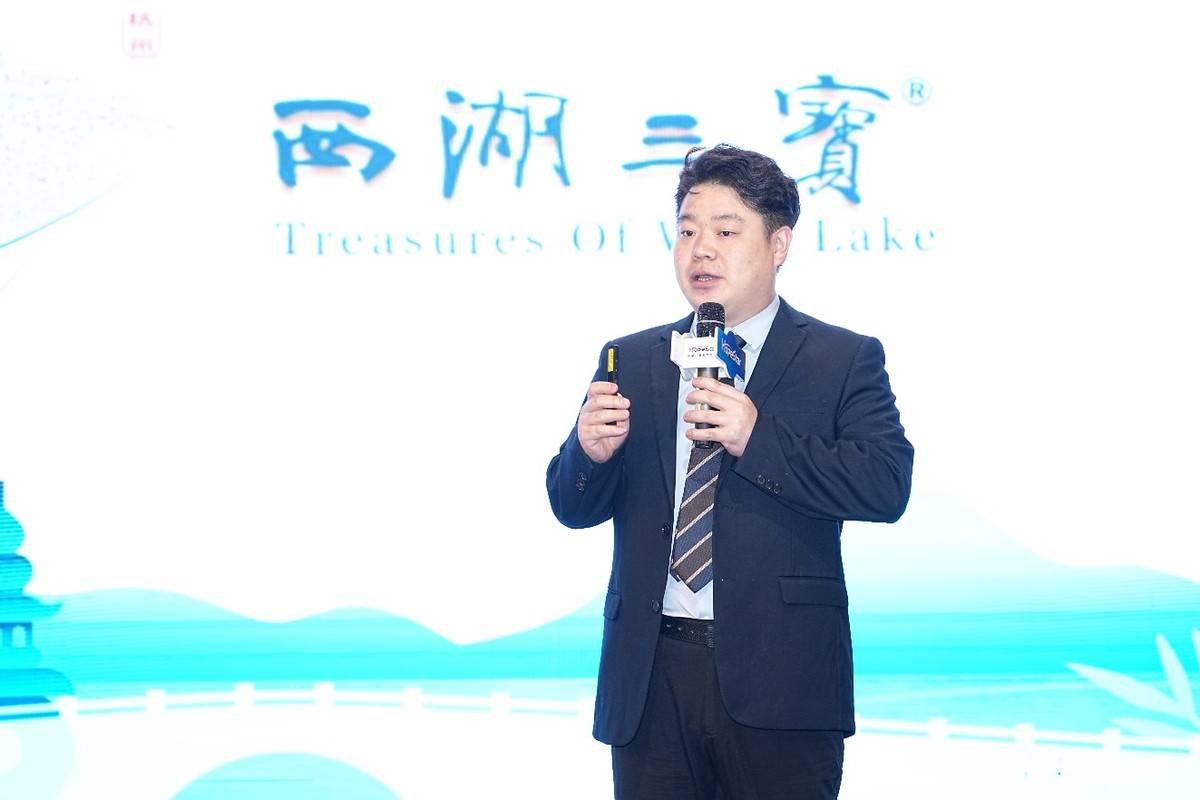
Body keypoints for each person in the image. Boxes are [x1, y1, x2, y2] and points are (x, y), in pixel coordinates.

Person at [546, 144, 913, 799]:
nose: (701, 250)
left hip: (784, 677)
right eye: (687, 231)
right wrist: (587, 454)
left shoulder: (842, 359)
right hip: (651, 677)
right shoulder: (632, 357)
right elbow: (573, 505)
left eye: (725, 231)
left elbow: (885, 485)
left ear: (779, 244)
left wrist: (757, 438)